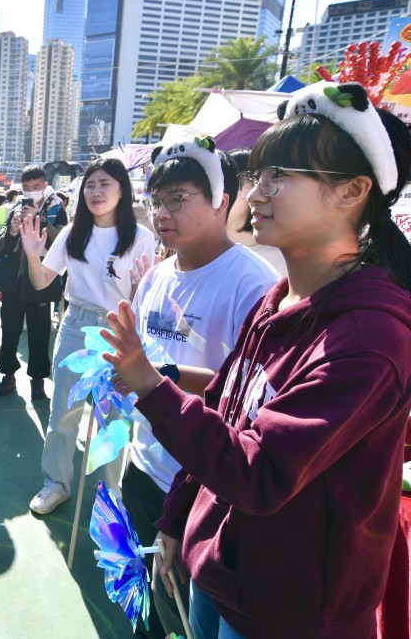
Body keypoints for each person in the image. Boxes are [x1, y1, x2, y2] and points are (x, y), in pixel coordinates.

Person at [103, 82, 411, 639]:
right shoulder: (280, 299)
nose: (259, 192)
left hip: (290, 611)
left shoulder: (368, 337)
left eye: (281, 177)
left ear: (353, 191)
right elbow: (226, 408)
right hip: (223, 571)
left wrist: (150, 383)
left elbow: (259, 471)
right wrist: (178, 518)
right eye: (259, 176)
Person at [118, 138, 278, 638]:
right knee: (148, 596)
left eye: (178, 198)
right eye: (156, 201)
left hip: (201, 484)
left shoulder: (253, 284)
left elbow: (246, 398)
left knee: (189, 612)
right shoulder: (156, 278)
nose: (162, 213)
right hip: (144, 466)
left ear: (221, 200)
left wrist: (155, 376)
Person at [18, 158, 156, 518]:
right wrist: (33, 257)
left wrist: (142, 290)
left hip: (119, 330)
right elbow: (41, 282)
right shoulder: (72, 233)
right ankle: (56, 485)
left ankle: (110, 497)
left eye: (105, 184)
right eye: (90, 185)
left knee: (114, 419)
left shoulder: (141, 238)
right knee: (63, 410)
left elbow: (144, 297)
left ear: (122, 190)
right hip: (76, 324)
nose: (96, 192)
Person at [0, 166, 68, 400]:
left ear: (45, 185)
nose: (31, 191)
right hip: (14, 283)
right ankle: (8, 375)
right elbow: (1, 246)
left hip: (42, 280)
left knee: (39, 335)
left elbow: (63, 241)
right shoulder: (16, 207)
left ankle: (38, 380)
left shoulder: (57, 207)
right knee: (9, 333)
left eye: (36, 187)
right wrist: (13, 230)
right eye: (27, 187)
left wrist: (40, 218)